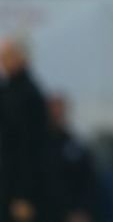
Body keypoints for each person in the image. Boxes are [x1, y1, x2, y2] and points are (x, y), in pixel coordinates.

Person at [0, 37, 48, 222]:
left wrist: (24, 194)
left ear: (22, 58)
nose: (3, 62)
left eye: (8, 56)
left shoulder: (29, 95)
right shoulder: (7, 91)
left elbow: (30, 147)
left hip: (19, 187)